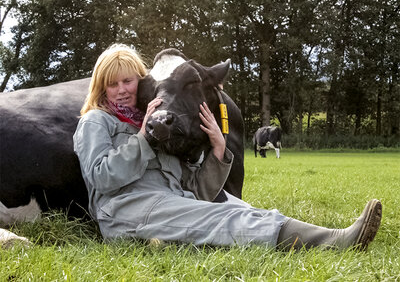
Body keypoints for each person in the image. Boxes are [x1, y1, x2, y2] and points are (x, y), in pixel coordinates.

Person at [73, 44, 382, 250]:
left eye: (128, 81)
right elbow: (100, 178)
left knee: (241, 208)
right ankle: (337, 242)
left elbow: (193, 190)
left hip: (163, 201)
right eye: (112, 84)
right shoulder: (96, 122)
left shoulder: (146, 121)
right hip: (124, 210)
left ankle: (315, 234)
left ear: (141, 84)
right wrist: (143, 138)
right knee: (223, 219)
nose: (121, 90)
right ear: (101, 87)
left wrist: (219, 150)